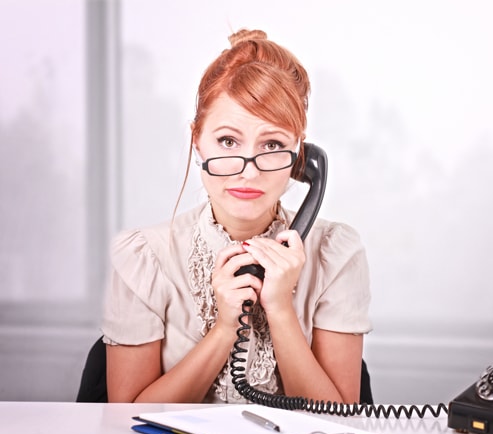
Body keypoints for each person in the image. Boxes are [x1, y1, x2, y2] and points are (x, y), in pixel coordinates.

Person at [101, 29, 372, 404]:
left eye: (273, 144)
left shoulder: (336, 254)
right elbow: (125, 421)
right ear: (197, 141)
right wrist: (225, 328)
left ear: (300, 156)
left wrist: (280, 309)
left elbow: (337, 418)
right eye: (228, 142)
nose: (248, 171)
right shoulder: (143, 258)